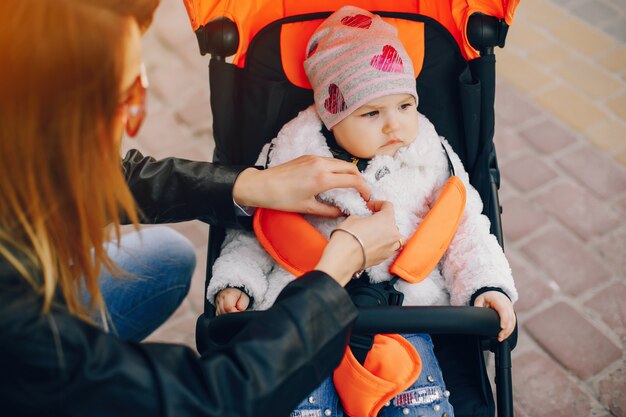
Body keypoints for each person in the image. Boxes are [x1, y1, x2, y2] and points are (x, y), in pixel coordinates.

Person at [0, 1, 405, 416]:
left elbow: (99, 178)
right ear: (49, 124)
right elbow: (213, 400)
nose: (127, 123)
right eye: (126, 101)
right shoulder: (17, 323)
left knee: (165, 257)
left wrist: (249, 184)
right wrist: (334, 273)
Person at [208, 6, 518, 417]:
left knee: (417, 402)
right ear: (329, 113)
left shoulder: (430, 155)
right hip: (301, 318)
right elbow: (255, 232)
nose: (395, 126)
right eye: (372, 113)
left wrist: (486, 286)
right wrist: (238, 283)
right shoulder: (291, 159)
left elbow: (464, 231)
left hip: (405, 317)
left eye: (405, 106)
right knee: (301, 404)